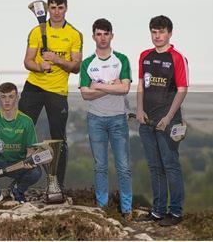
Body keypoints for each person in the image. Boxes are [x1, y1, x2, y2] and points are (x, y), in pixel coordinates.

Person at [19, 0, 83, 189]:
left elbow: (76, 67)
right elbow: (28, 61)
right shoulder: (37, 31)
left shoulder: (73, 34)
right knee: (20, 132)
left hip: (57, 92)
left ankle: (56, 184)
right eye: (52, 8)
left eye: (60, 7)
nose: (56, 12)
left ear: (66, 8)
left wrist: (57, 60)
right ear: (48, 8)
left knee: (58, 139)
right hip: (34, 87)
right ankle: (20, 183)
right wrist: (40, 67)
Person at [135, 15, 189, 226]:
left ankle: (175, 213)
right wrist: (139, 109)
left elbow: (182, 90)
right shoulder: (144, 56)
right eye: (154, 32)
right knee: (154, 167)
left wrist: (168, 118)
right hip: (146, 121)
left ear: (170, 33)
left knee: (171, 166)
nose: (157, 36)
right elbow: (141, 85)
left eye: (161, 32)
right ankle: (158, 211)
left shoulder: (177, 57)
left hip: (169, 121)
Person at [79, 18, 132, 218]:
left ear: (112, 35)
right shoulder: (87, 63)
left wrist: (98, 86)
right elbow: (85, 94)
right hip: (95, 119)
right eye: (99, 34)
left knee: (123, 166)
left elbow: (125, 88)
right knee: (100, 166)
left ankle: (126, 209)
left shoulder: (121, 60)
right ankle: (102, 207)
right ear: (93, 36)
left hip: (118, 118)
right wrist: (112, 86)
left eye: (106, 33)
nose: (102, 38)